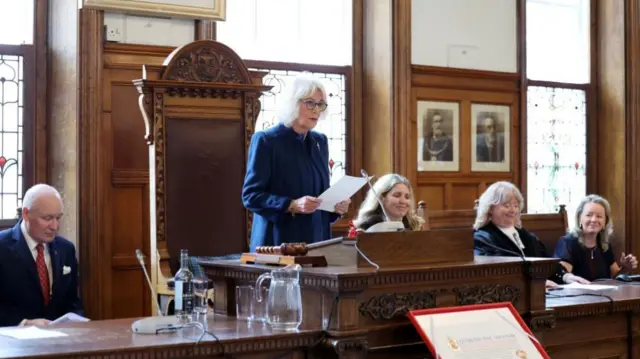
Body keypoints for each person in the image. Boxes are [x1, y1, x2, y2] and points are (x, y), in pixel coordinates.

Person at [242, 74, 351, 251]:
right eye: (310, 103)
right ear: (292, 103)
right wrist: (291, 205)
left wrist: (335, 206)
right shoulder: (266, 141)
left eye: (321, 104)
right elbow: (251, 196)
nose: (317, 110)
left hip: (316, 240)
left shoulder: (319, 142)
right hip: (278, 241)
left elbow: (319, 194)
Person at [473, 181, 585, 288]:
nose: (513, 210)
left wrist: (566, 277)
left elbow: (546, 263)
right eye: (507, 205)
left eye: (516, 206)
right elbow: (492, 275)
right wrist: (534, 284)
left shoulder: (526, 236)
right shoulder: (482, 238)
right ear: (490, 208)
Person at [0, 184, 84, 327]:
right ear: (26, 214)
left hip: (61, 342)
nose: (55, 226)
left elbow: (72, 302)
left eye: (58, 218)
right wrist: (24, 323)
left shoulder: (66, 249)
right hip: (12, 343)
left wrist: (78, 322)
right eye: (47, 218)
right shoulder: (2, 247)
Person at [554, 194, 638, 282]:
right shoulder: (568, 242)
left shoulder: (604, 244)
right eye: (589, 215)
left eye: (599, 216)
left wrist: (625, 268)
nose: (594, 220)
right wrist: (569, 278)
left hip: (604, 294)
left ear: (605, 222)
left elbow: (614, 277)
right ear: (579, 218)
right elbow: (561, 275)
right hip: (577, 294)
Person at [351, 174, 424, 232]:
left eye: (407, 197)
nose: (403, 201)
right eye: (397, 195)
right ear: (381, 198)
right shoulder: (366, 229)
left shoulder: (415, 227)